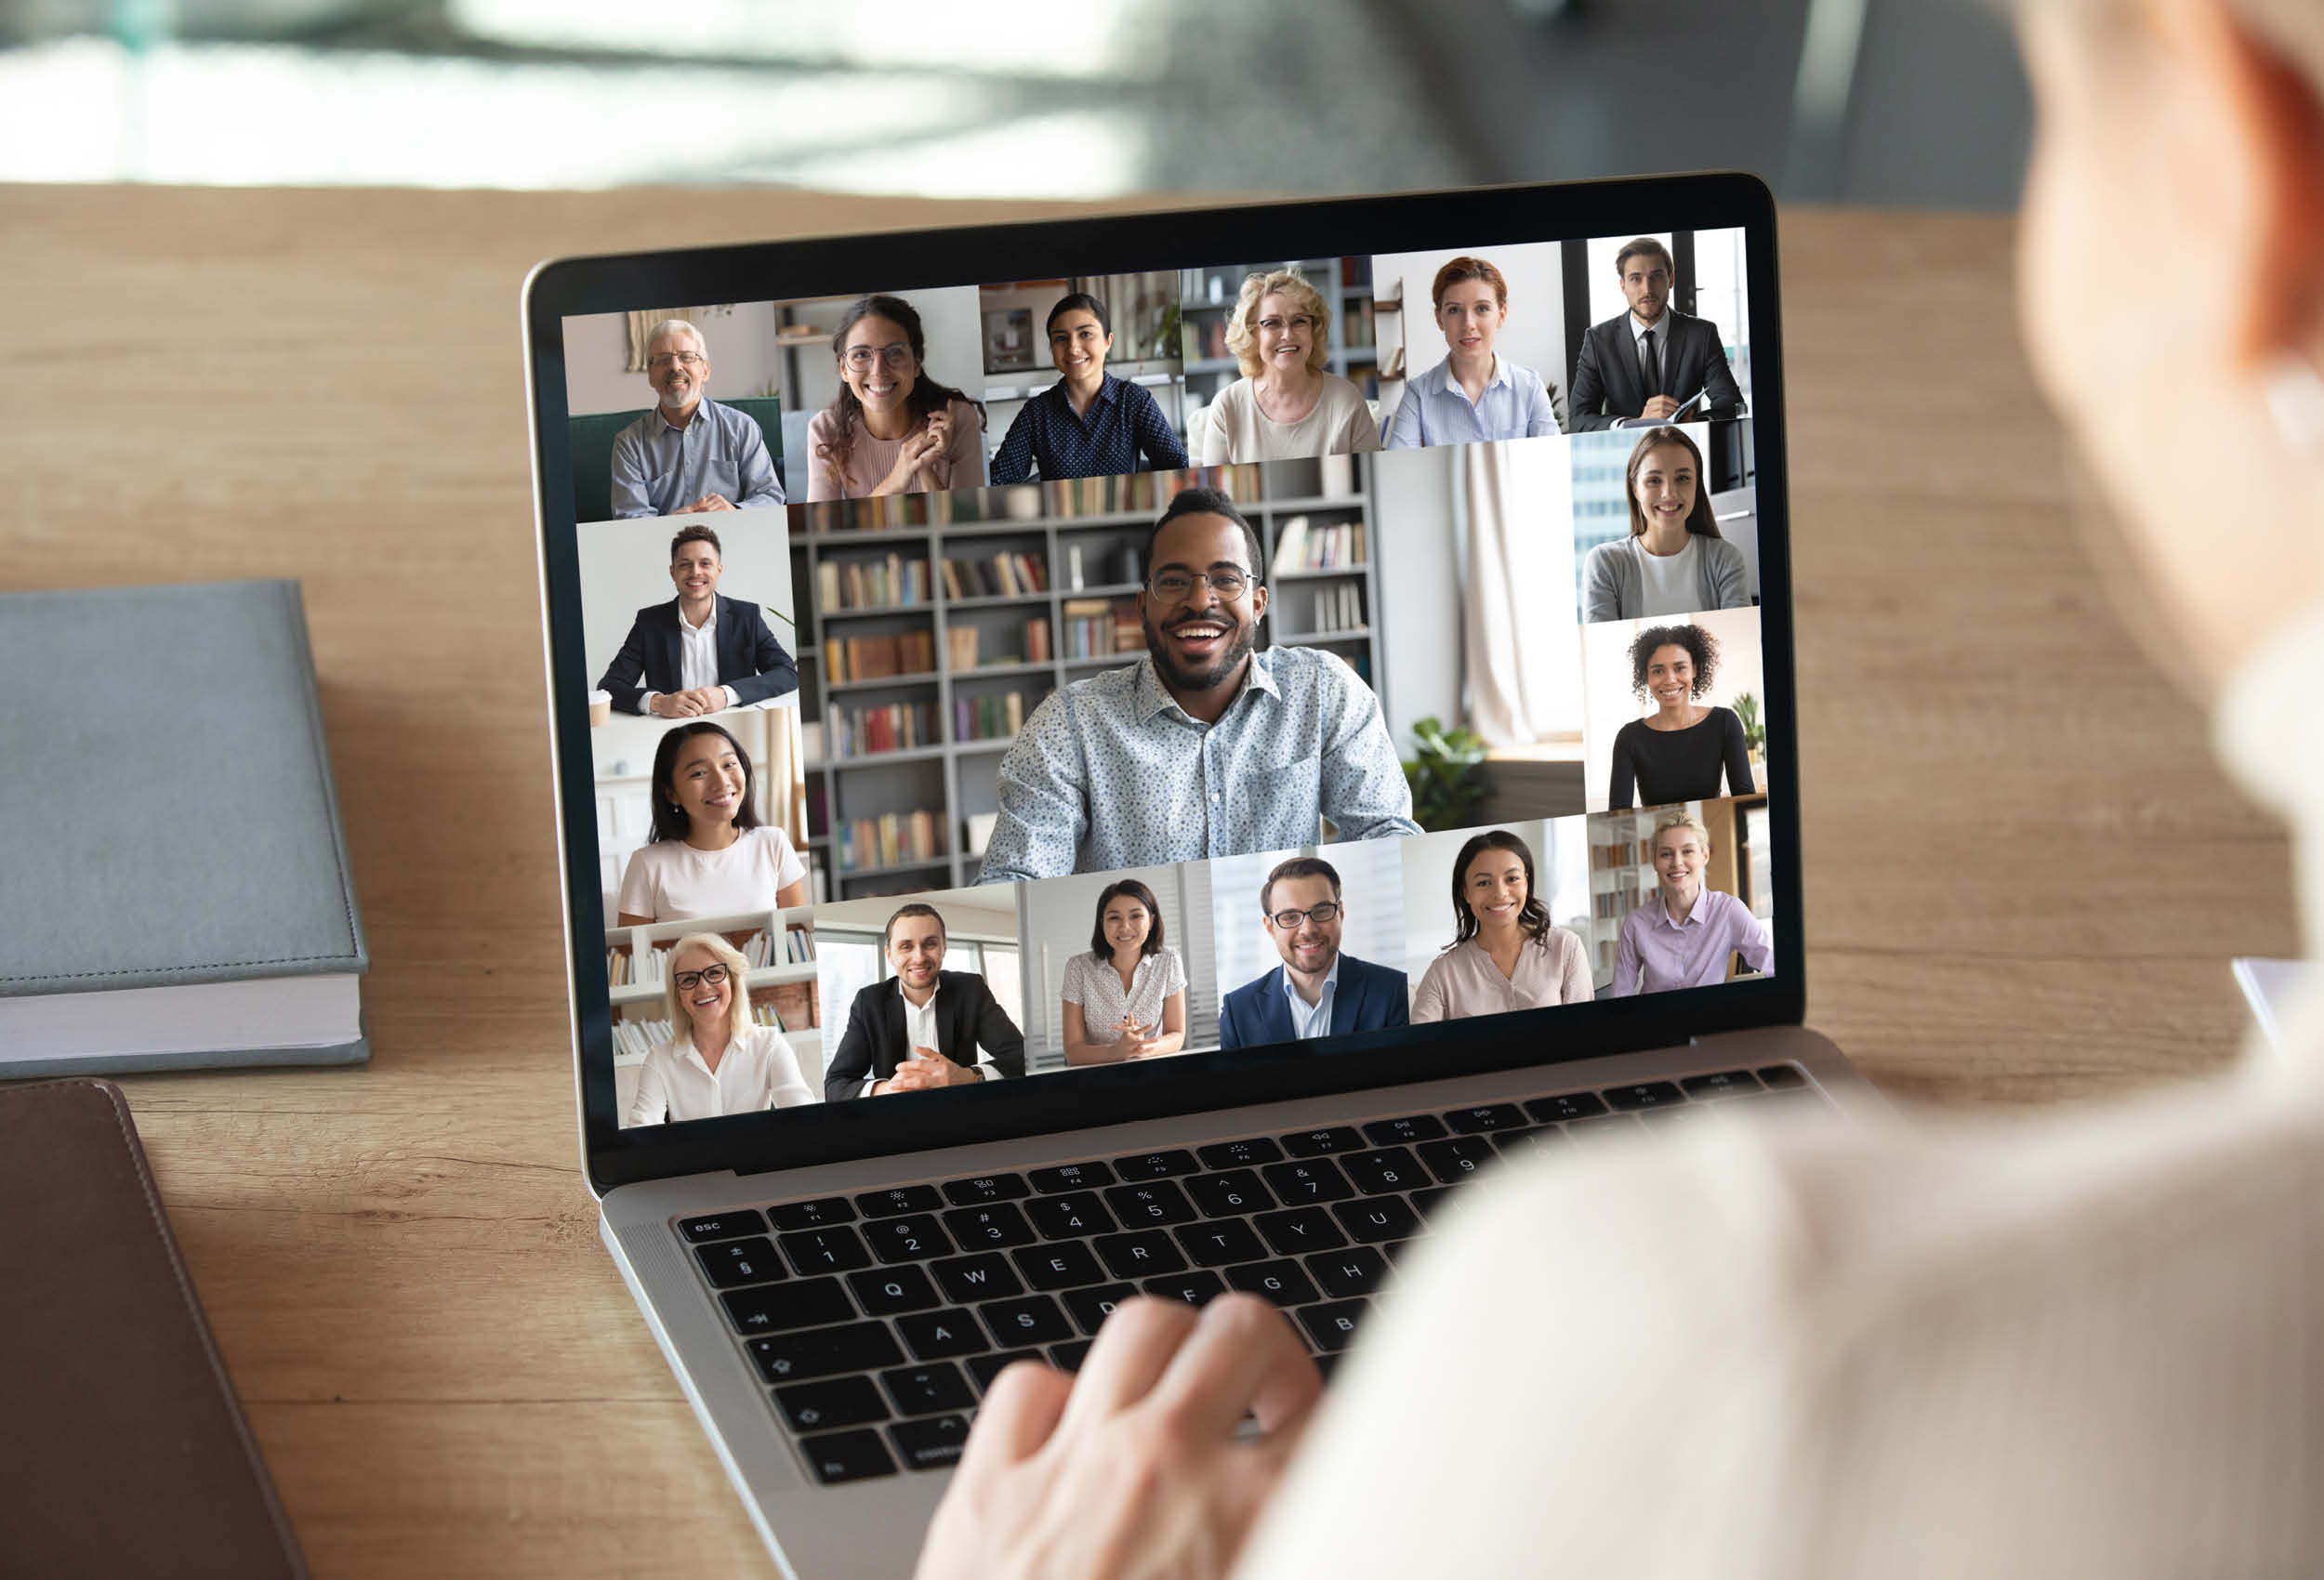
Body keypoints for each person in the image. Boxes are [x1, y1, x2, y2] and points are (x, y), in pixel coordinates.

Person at [920, 7, 2324, 1576]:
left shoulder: (1708, 1337)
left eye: (2063, 116)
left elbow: (1387, 845)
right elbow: (1027, 916)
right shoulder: (1075, 733)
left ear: (2231, 170)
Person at [979, 487, 1419, 882]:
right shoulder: (1071, 723)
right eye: (1173, 582)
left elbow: (1386, 835)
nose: (1198, 600)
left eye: (1226, 579)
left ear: (1258, 603)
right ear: (1142, 607)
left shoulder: (1322, 690)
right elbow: (1018, 877)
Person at [824, 903, 1027, 1100]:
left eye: (930, 944)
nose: (919, 957)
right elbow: (835, 1085)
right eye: (906, 947)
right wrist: (888, 1089)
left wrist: (968, 1077)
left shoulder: (971, 989)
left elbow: (1021, 1055)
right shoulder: (868, 1002)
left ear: (944, 947)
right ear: (889, 955)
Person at [595, 524, 799, 718]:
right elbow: (609, 687)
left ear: (719, 570)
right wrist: (659, 702)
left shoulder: (747, 617)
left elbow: (787, 673)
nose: (695, 572)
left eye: (705, 563)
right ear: (673, 572)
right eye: (685, 565)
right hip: (669, 730)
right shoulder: (649, 622)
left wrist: (727, 695)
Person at [615, 721, 809, 924]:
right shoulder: (647, 864)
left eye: (728, 764)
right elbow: (632, 944)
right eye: (698, 773)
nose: (722, 781)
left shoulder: (772, 843)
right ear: (672, 793)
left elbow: (797, 934)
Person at [987, 293, 1190, 483]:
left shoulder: (1134, 400)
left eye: (1085, 334)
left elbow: (1178, 466)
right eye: (1061, 338)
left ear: (1108, 341)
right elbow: (999, 479)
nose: (1073, 348)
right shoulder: (1036, 413)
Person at [1216, 856, 1411, 1049]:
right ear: (1270, 927)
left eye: (1321, 911)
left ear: (1340, 914)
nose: (1308, 930)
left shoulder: (1393, 991)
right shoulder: (1238, 1012)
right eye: (1290, 917)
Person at [805, 295, 986, 500]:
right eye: (861, 354)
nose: (878, 370)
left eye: (895, 353)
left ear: (916, 363)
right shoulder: (825, 430)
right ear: (843, 369)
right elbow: (824, 522)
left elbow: (967, 518)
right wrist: (898, 478)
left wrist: (924, 469)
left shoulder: (957, 419)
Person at [1190, 269, 1380, 464]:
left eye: (1299, 321)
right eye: (1272, 323)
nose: (1288, 334)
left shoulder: (1347, 400)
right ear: (1253, 334)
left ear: (1313, 330)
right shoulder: (1226, 407)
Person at [623, 932, 812, 1126]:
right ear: (678, 995)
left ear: (732, 982)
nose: (703, 987)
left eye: (714, 973)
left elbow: (805, 1120)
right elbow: (642, 1127)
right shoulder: (659, 1060)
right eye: (688, 979)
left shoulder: (769, 1044)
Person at [608, 320, 785, 519]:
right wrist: (673, 523)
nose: (675, 366)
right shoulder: (629, 444)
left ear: (705, 370)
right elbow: (630, 517)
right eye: (663, 360)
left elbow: (770, 496)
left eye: (687, 357)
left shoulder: (742, 428)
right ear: (650, 376)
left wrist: (734, 511)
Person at [1409, 830, 1591, 1020]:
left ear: (1526, 883)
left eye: (1512, 879)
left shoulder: (1566, 947)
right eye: (1483, 883)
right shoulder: (1443, 973)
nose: (1500, 893)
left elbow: (1586, 1028)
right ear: (1465, 892)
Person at [1566, 238, 1746, 431]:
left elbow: (1732, 405)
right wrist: (1631, 424)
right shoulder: (1598, 341)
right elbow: (1579, 419)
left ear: (1671, 279)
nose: (1647, 289)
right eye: (1636, 278)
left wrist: (1694, 423)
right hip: (1626, 447)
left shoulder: (1702, 335)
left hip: (1685, 443)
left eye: (1656, 276)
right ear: (1623, 285)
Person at [1382, 256, 1561, 448]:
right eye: (1454, 310)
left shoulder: (1530, 387)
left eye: (1482, 308)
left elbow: (1553, 460)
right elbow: (1400, 464)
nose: (1468, 324)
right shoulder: (1418, 394)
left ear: (1501, 316)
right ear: (1439, 319)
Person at [1581, 427, 1751, 621]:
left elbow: (1739, 634)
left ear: (1697, 484)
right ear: (1635, 489)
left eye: (1682, 478)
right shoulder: (1605, 563)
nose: (1669, 493)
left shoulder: (1725, 559)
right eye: (1654, 480)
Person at [1607, 811, 1773, 995]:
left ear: (1704, 856)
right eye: (1666, 854)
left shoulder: (1729, 911)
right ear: (1654, 862)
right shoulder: (1636, 923)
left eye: (1687, 851)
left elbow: (1775, 965)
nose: (1677, 862)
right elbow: (1620, 993)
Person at [1605, 622, 1755, 810]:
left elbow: (1745, 801)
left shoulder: (1724, 723)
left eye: (1680, 668)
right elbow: (1618, 813)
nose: (1670, 679)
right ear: (1646, 676)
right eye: (1658, 671)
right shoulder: (1629, 738)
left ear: (1695, 669)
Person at [1059, 879, 1189, 1064]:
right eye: (1114, 918)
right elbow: (1073, 1051)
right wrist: (1116, 1052)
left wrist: (1142, 1048)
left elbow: (1176, 1035)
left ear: (1151, 921)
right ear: (1102, 923)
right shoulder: (1078, 967)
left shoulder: (1169, 961)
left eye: (1136, 916)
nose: (1125, 927)